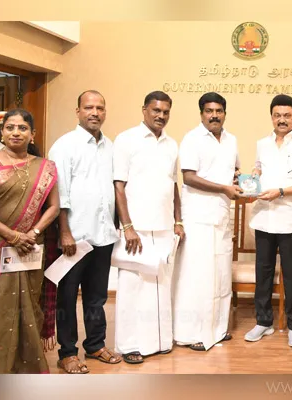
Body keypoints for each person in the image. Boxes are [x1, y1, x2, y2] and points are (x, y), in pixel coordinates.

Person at [49, 90, 123, 374]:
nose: (95, 113)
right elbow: (60, 192)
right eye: (89, 107)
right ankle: (67, 352)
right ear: (77, 111)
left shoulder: (110, 146)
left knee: (96, 296)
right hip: (75, 237)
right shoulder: (64, 145)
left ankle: (95, 345)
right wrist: (65, 232)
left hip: (103, 235)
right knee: (67, 297)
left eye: (100, 108)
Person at [113, 91, 185, 364]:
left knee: (160, 285)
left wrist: (178, 221)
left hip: (164, 227)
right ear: (144, 109)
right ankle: (129, 345)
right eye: (156, 110)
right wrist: (127, 226)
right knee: (133, 287)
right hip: (137, 228)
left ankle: (160, 341)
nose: (161, 116)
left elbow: (173, 184)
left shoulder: (171, 144)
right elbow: (119, 185)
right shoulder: (126, 139)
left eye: (166, 112)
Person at [245, 94, 292, 347]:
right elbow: (258, 167)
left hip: (289, 220)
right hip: (263, 218)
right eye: (277, 115)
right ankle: (263, 322)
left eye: (287, 115)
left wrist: (281, 192)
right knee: (263, 272)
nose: (282, 120)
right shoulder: (262, 144)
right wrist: (254, 174)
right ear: (272, 117)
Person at [0, 108, 60, 373]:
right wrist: (12, 235)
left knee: (29, 307)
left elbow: (54, 207)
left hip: (30, 247)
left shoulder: (45, 167)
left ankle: (26, 371)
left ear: (32, 134)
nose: (16, 132)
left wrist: (33, 233)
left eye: (22, 128)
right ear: (2, 132)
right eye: (10, 127)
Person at [172, 92, 241, 351]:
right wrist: (224, 188)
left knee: (221, 275)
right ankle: (191, 333)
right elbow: (188, 177)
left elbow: (233, 172)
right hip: (198, 217)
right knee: (197, 277)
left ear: (225, 113)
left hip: (221, 216)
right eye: (209, 111)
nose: (214, 115)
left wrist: (240, 181)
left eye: (219, 111)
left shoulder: (231, 140)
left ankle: (217, 329)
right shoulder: (192, 139)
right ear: (201, 114)